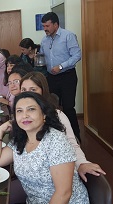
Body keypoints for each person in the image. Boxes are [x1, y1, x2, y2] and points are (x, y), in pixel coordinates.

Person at [0, 92, 90, 204]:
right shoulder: (22, 138)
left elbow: (64, 193)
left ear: (44, 114)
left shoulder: (56, 140)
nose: (25, 115)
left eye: (31, 109)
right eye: (19, 111)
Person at [20, 71, 106, 181]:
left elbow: (72, 143)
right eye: (24, 90)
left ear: (43, 91)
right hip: (30, 172)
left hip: (54, 175)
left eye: (33, 90)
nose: (28, 94)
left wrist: (81, 163)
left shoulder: (57, 116)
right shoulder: (21, 116)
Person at [40, 12, 82, 141]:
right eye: (43, 26)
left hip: (67, 76)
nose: (45, 29)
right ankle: (58, 138)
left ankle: (76, 137)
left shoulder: (68, 36)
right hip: (51, 78)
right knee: (52, 107)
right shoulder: (44, 40)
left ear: (55, 24)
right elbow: (42, 58)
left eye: (47, 26)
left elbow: (77, 55)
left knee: (68, 107)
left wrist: (61, 66)